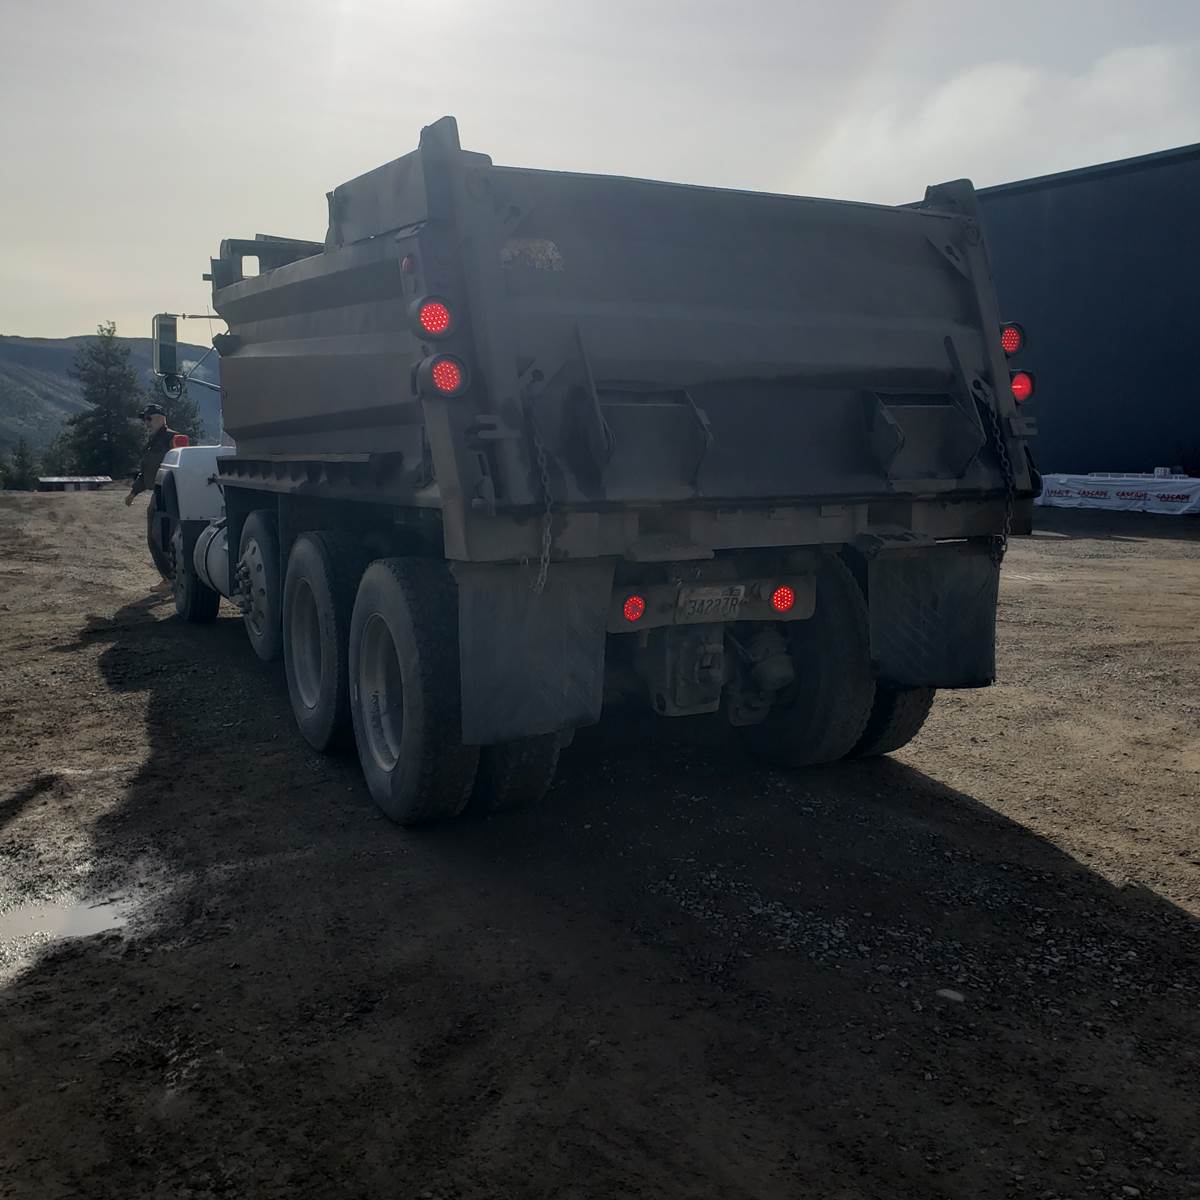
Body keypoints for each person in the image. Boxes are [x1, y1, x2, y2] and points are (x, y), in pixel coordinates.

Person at [124, 404, 179, 506]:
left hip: (173, 497)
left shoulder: (174, 438)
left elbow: (183, 469)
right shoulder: (152, 442)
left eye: (148, 418)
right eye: (144, 419)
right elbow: (147, 471)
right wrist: (133, 493)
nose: (146, 423)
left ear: (160, 419)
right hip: (159, 495)